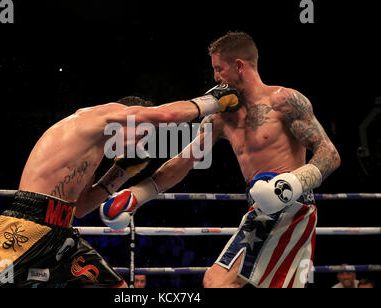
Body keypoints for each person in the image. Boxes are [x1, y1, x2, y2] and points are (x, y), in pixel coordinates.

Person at [100, 31, 341, 288]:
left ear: (239, 65)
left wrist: (289, 185)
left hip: (291, 204)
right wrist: (138, 194)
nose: (215, 77)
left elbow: (329, 154)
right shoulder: (220, 119)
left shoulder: (284, 100)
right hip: (262, 206)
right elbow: (184, 161)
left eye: (219, 69)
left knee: (218, 281)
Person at [0, 88, 241, 288]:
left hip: (62, 233)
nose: (140, 142)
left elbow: (80, 208)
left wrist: (121, 172)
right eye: (142, 133)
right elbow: (166, 115)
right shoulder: (99, 116)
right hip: (28, 228)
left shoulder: (95, 146)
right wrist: (213, 100)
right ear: (131, 118)